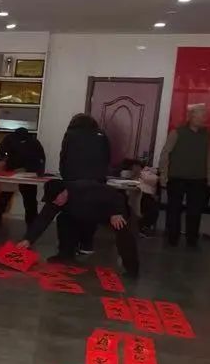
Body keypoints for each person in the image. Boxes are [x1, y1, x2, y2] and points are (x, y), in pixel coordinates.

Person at [17, 179, 139, 277]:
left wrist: (116, 212)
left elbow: (117, 196)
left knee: (124, 233)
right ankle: (65, 254)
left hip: (112, 212)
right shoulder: (56, 200)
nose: (54, 202)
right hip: (85, 215)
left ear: (64, 192)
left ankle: (132, 270)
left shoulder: (85, 189)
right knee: (64, 219)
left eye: (55, 199)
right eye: (52, 201)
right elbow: (43, 219)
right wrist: (28, 239)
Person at [160, 104, 210, 248]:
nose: (204, 119)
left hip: (198, 179)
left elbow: (209, 157)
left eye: (205, 116)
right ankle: (172, 238)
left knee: (195, 211)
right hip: (177, 177)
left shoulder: (207, 134)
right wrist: (164, 176)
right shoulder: (177, 132)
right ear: (192, 117)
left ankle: (192, 240)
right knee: (174, 209)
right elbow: (165, 154)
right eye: (201, 116)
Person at [59, 113, 111, 254]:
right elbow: (107, 157)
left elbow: (64, 157)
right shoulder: (101, 135)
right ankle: (87, 244)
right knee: (91, 211)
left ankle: (72, 245)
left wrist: (65, 178)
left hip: (74, 180)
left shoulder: (71, 135)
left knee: (73, 212)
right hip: (96, 180)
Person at [0, 127, 46, 226]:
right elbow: (41, 158)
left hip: (12, 170)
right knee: (29, 198)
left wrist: (1, 161)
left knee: (5, 195)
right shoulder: (33, 141)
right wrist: (39, 172)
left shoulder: (10, 139)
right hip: (28, 172)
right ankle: (32, 222)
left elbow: (0, 153)